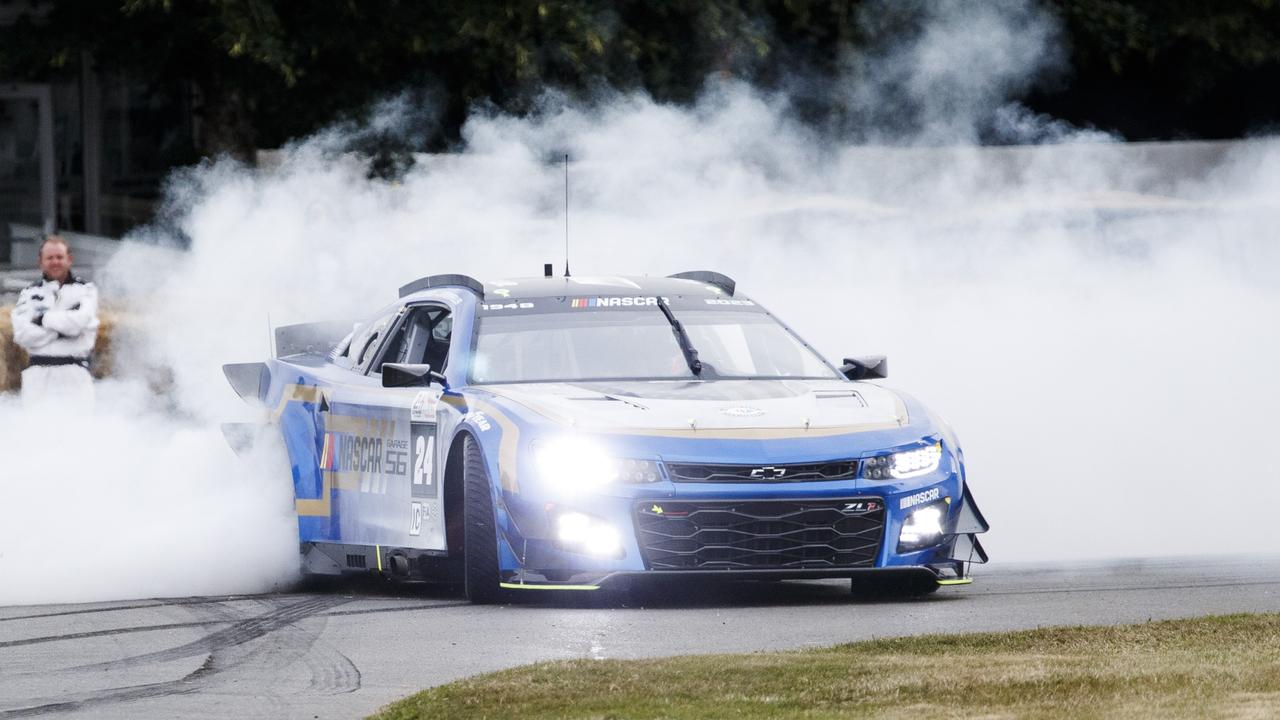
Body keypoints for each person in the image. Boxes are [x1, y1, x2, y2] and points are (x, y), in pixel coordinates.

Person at [10, 234, 100, 408]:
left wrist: (42, 319)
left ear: (69, 259)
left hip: (75, 376)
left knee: (78, 431)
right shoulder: (28, 294)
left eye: (59, 257)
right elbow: (22, 335)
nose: (55, 262)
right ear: (41, 262)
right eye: (49, 258)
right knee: (38, 432)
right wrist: (64, 329)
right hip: (38, 379)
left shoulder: (86, 290)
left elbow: (80, 321)